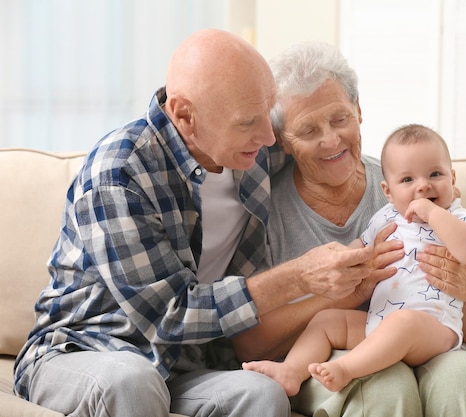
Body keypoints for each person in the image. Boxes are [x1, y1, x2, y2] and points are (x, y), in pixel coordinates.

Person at [13, 29, 376, 417]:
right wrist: (301, 277)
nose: (269, 135)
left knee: (262, 393)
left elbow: (324, 145)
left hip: (187, 366)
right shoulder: (120, 173)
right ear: (185, 116)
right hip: (88, 350)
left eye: (268, 113)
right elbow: (170, 316)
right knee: (132, 381)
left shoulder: (254, 150)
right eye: (248, 122)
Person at [231, 42, 466, 417]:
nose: (330, 139)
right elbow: (248, 344)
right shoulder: (263, 214)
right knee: (384, 387)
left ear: (359, 111)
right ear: (284, 141)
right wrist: (341, 293)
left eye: (340, 119)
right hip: (335, 353)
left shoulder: (413, 185)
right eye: (308, 129)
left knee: (464, 377)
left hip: (433, 337)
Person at [244, 123, 466, 395]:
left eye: (435, 174)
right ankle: (291, 371)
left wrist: (432, 213)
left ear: (452, 179)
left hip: (433, 328)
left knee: (404, 323)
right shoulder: (385, 217)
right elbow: (355, 252)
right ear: (388, 192)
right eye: (408, 180)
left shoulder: (456, 216)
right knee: (326, 320)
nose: (423, 186)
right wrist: (346, 260)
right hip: (379, 323)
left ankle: (346, 369)